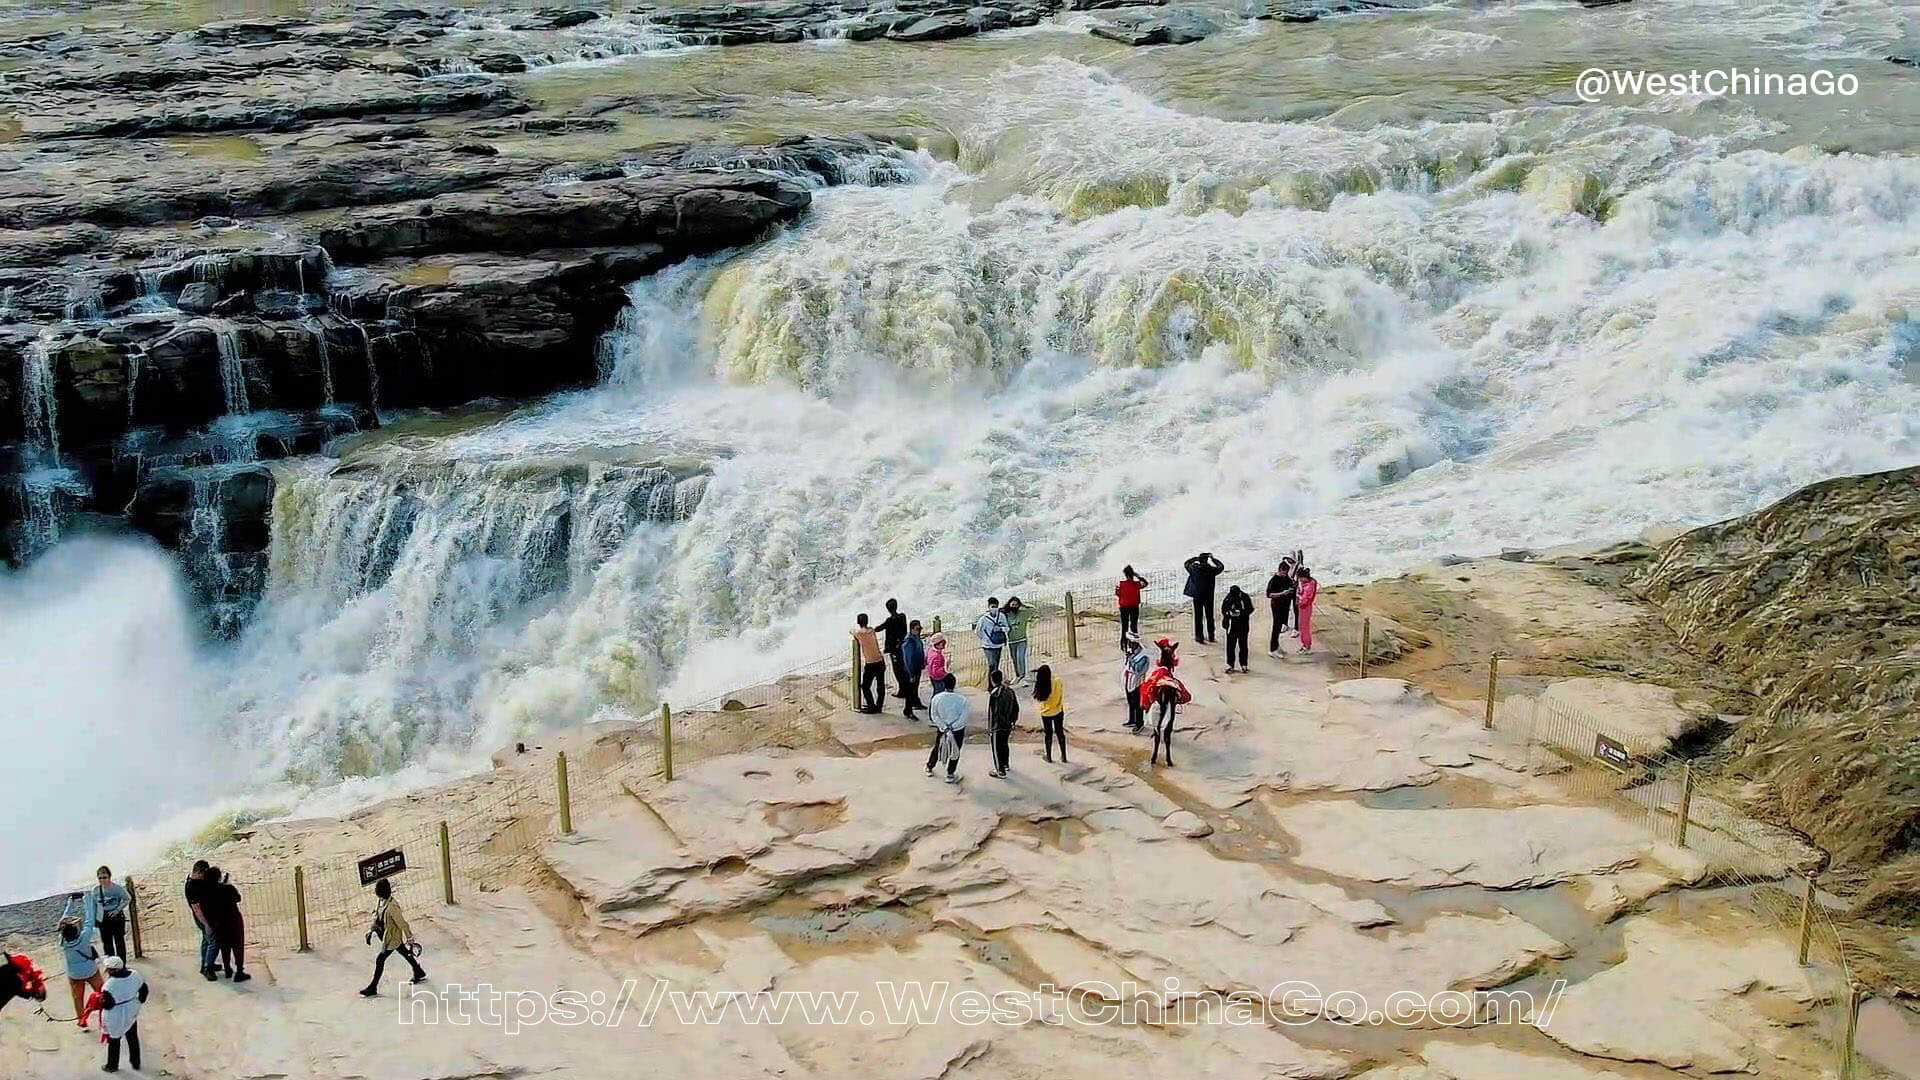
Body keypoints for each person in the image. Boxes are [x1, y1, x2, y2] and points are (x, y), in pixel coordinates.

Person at [360, 877, 428, 997]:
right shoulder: (381, 902)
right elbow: (377, 917)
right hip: (389, 935)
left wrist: (410, 939)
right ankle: (418, 971)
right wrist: (371, 931)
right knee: (403, 951)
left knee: (380, 960)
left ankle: (373, 986)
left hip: (392, 938)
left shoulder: (392, 907)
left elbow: (402, 923)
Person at [96, 955, 147, 1073]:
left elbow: (107, 1005)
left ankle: (112, 1065)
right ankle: (136, 1062)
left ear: (112, 970)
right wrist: (138, 1002)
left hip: (115, 1014)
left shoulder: (109, 985)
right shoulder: (135, 975)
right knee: (133, 1037)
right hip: (131, 1009)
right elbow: (144, 990)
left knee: (114, 1040)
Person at [56, 901, 101, 1031]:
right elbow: (90, 919)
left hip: (74, 974)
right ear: (77, 931)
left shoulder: (62, 941)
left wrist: (69, 903)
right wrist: (87, 901)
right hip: (90, 970)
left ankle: (82, 1022)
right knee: (101, 992)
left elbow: (62, 922)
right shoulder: (85, 936)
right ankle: (105, 1014)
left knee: (77, 998)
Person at [200, 865, 250, 982]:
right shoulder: (228, 889)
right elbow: (238, 898)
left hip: (218, 924)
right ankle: (239, 971)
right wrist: (227, 884)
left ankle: (228, 969)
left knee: (224, 946)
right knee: (237, 946)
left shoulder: (205, 893)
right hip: (233, 920)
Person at [1140, 654, 1192, 767]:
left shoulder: (1157, 675)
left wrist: (1147, 703)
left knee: (1157, 729)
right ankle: (1168, 758)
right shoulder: (1173, 680)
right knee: (1168, 731)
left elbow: (1147, 689)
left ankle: (1154, 755)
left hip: (1157, 704)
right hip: (1170, 705)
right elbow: (1186, 696)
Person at [927, 675, 969, 783]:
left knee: (938, 747)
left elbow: (934, 715)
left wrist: (945, 727)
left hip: (942, 729)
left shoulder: (936, 698)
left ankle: (929, 767)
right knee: (955, 751)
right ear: (954, 684)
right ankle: (950, 774)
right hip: (957, 730)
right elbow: (964, 717)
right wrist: (952, 727)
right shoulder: (962, 700)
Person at [87, 866, 131, 964]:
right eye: (100, 878)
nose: (102, 880)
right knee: (107, 943)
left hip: (116, 917)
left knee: (119, 942)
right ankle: (111, 965)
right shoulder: (95, 890)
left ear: (109, 877)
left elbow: (127, 898)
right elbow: (93, 906)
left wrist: (117, 909)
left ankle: (122, 965)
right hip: (103, 918)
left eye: (104, 877)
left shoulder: (117, 889)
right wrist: (94, 921)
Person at [184, 860, 219, 982]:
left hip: (206, 917)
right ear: (199, 872)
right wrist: (206, 924)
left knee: (206, 940)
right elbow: (196, 908)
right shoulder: (191, 887)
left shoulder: (196, 882)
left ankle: (206, 963)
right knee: (213, 942)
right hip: (203, 918)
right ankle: (207, 968)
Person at [1183, 551, 1224, 644]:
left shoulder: (1194, 569)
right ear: (1207, 560)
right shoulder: (1212, 570)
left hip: (1197, 596)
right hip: (1209, 596)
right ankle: (1211, 636)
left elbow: (1186, 563)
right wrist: (1213, 559)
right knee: (1210, 616)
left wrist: (1195, 558)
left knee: (1198, 617)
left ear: (1200, 560)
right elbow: (1221, 567)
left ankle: (1199, 637)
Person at [986, 669, 1019, 778]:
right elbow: (1016, 707)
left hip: (997, 725)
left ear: (992, 680)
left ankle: (999, 770)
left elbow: (992, 713)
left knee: (997, 747)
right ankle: (1005, 764)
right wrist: (1013, 720)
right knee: (1004, 745)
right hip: (1008, 723)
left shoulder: (994, 694)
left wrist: (990, 729)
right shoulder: (1010, 691)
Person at [852, 613, 886, 713]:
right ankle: (878, 707)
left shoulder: (859, 633)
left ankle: (871, 706)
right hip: (880, 660)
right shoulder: (872, 631)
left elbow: (852, 631)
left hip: (871, 663)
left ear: (858, 622)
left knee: (865, 686)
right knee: (880, 685)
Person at [1033, 664, 1067, 763]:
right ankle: (1063, 756)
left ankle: (1049, 757)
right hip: (1058, 711)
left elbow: (1039, 699)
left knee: (1048, 735)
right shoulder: (1057, 681)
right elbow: (1060, 692)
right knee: (1060, 733)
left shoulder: (1041, 685)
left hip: (1046, 713)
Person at [880, 599, 909, 699]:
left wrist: (868, 628)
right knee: (903, 668)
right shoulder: (902, 616)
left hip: (894, 649)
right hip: (903, 646)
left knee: (897, 670)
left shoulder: (889, 621)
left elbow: (879, 628)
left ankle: (902, 690)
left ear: (888, 609)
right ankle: (906, 688)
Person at [1266, 558, 1296, 655]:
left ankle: (1277, 646)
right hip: (1277, 605)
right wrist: (1282, 593)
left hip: (1285, 605)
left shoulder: (1286, 578)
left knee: (1280, 627)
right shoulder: (1274, 580)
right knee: (1276, 627)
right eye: (1283, 573)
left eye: (1286, 573)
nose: (1285, 574)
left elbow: (1290, 585)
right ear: (1280, 570)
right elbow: (1269, 594)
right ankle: (1272, 649)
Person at [1221, 585, 1254, 672]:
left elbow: (1250, 609)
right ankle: (1230, 665)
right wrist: (1229, 613)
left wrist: (1241, 613)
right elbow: (1223, 610)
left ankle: (1244, 664)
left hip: (1243, 625)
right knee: (1230, 646)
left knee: (1243, 645)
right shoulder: (1228, 598)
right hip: (1231, 626)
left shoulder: (1245, 597)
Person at [1121, 633, 1150, 732]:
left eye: (1131, 643)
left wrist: (1130, 659)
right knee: (1130, 701)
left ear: (1136, 644)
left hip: (1137, 682)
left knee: (1137, 703)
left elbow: (1138, 669)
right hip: (1129, 679)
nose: (1129, 645)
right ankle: (1132, 719)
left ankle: (1139, 723)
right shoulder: (1132, 651)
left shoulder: (1143, 656)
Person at [900, 620, 928, 719]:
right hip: (910, 670)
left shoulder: (916, 638)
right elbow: (908, 660)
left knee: (915, 688)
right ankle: (908, 710)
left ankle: (916, 703)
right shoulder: (909, 642)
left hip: (917, 668)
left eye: (920, 629)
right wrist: (911, 674)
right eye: (917, 629)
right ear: (911, 629)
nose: (919, 631)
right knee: (910, 691)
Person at [975, 598, 1010, 678]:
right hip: (987, 646)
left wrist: (1001, 629)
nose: (994, 608)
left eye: (996, 606)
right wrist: (985, 638)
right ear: (989, 606)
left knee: (996, 665)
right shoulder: (983, 619)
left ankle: (995, 683)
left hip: (998, 644)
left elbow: (1007, 628)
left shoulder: (1001, 616)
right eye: (992, 606)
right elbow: (978, 631)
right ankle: (990, 684)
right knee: (991, 664)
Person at [1114, 566, 1147, 647]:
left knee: (1124, 626)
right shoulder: (1136, 584)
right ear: (1133, 574)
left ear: (1125, 574)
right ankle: (1135, 643)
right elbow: (1145, 583)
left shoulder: (1121, 584)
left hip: (1124, 607)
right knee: (1133, 625)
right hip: (1134, 607)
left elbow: (1117, 593)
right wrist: (1138, 576)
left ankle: (1123, 643)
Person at [1002, 596, 1031, 683]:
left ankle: (1023, 676)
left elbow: (1033, 609)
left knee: (1020, 657)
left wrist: (1025, 606)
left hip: (1022, 640)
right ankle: (1017, 675)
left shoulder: (1023, 613)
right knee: (1014, 659)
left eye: (1016, 604)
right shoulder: (1005, 615)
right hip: (1011, 641)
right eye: (1012, 604)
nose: (1014, 606)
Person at [1295, 566, 1319, 653]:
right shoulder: (1308, 583)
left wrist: (1298, 597)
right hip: (1303, 606)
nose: (1300, 580)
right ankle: (1305, 644)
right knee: (1302, 626)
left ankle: (1307, 645)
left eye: (1301, 578)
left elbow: (1305, 599)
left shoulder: (1309, 586)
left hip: (1305, 607)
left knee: (1304, 627)